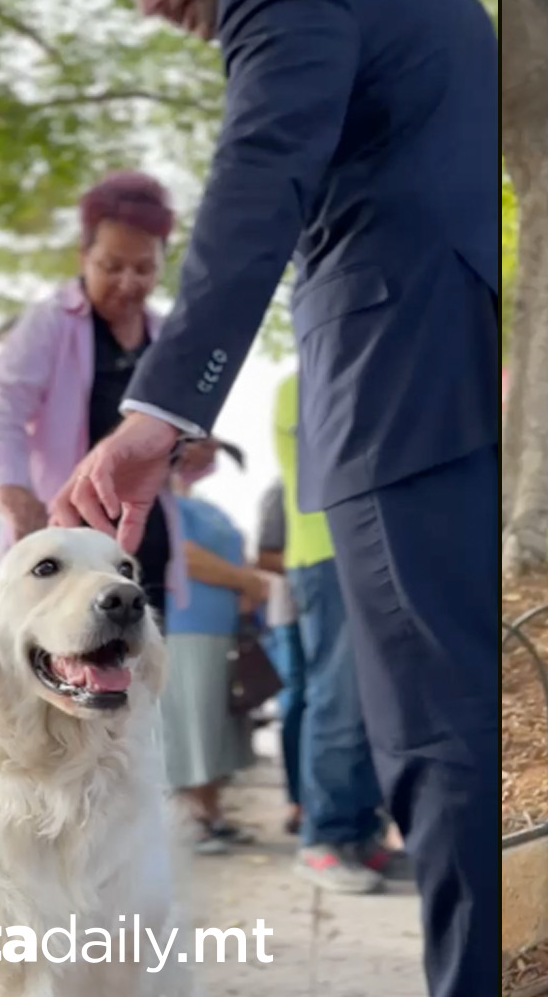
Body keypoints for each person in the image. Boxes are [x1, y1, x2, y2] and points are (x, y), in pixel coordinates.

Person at [66, 0, 499, 992]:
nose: (147, 2)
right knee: (441, 722)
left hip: (396, 376)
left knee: (435, 737)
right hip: (436, 361)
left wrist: (158, 407)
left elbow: (260, 175)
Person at [0, 171, 215, 617]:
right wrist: (10, 485)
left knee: (140, 674)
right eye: (111, 267)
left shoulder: (166, 339)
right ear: (84, 257)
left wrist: (196, 452)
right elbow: (0, 404)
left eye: (144, 269)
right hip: (59, 536)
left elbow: (184, 438)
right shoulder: (50, 324)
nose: (128, 282)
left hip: (141, 542)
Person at [273, 370, 392, 893]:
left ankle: (360, 833)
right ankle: (322, 840)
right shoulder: (305, 382)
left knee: (370, 703)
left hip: (368, 551)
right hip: (328, 554)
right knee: (338, 699)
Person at [160, 447, 268, 852]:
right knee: (190, 725)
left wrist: (245, 583)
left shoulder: (206, 508)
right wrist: (244, 580)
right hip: (186, 627)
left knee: (218, 726)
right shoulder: (163, 503)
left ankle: (211, 811)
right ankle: (187, 819)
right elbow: (183, 556)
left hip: (223, 629)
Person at [255, 478, 304, 838]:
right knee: (296, 707)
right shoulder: (280, 490)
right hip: (291, 619)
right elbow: (266, 557)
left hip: (332, 619)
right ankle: (297, 802)